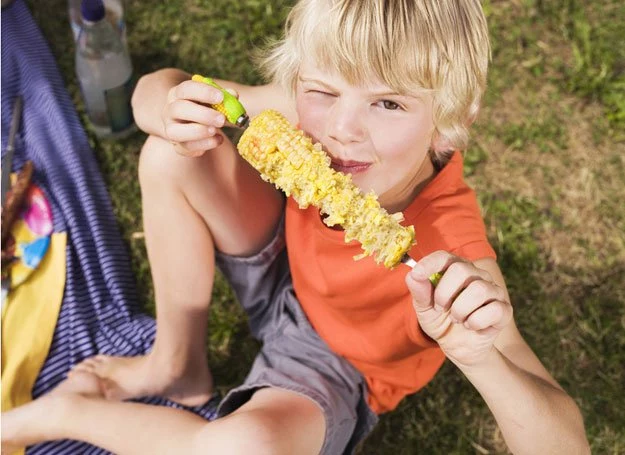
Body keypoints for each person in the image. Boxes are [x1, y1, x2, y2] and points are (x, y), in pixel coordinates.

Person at [2, 0, 590, 454]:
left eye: (389, 104)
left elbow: (565, 442)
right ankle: (175, 365)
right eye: (322, 91)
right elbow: (177, 88)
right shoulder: (310, 109)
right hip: (282, 261)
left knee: (243, 446)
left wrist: (484, 356)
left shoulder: (453, 251)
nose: (342, 129)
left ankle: (62, 414)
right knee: (168, 152)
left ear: (454, 116)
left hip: (338, 364)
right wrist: (163, 108)